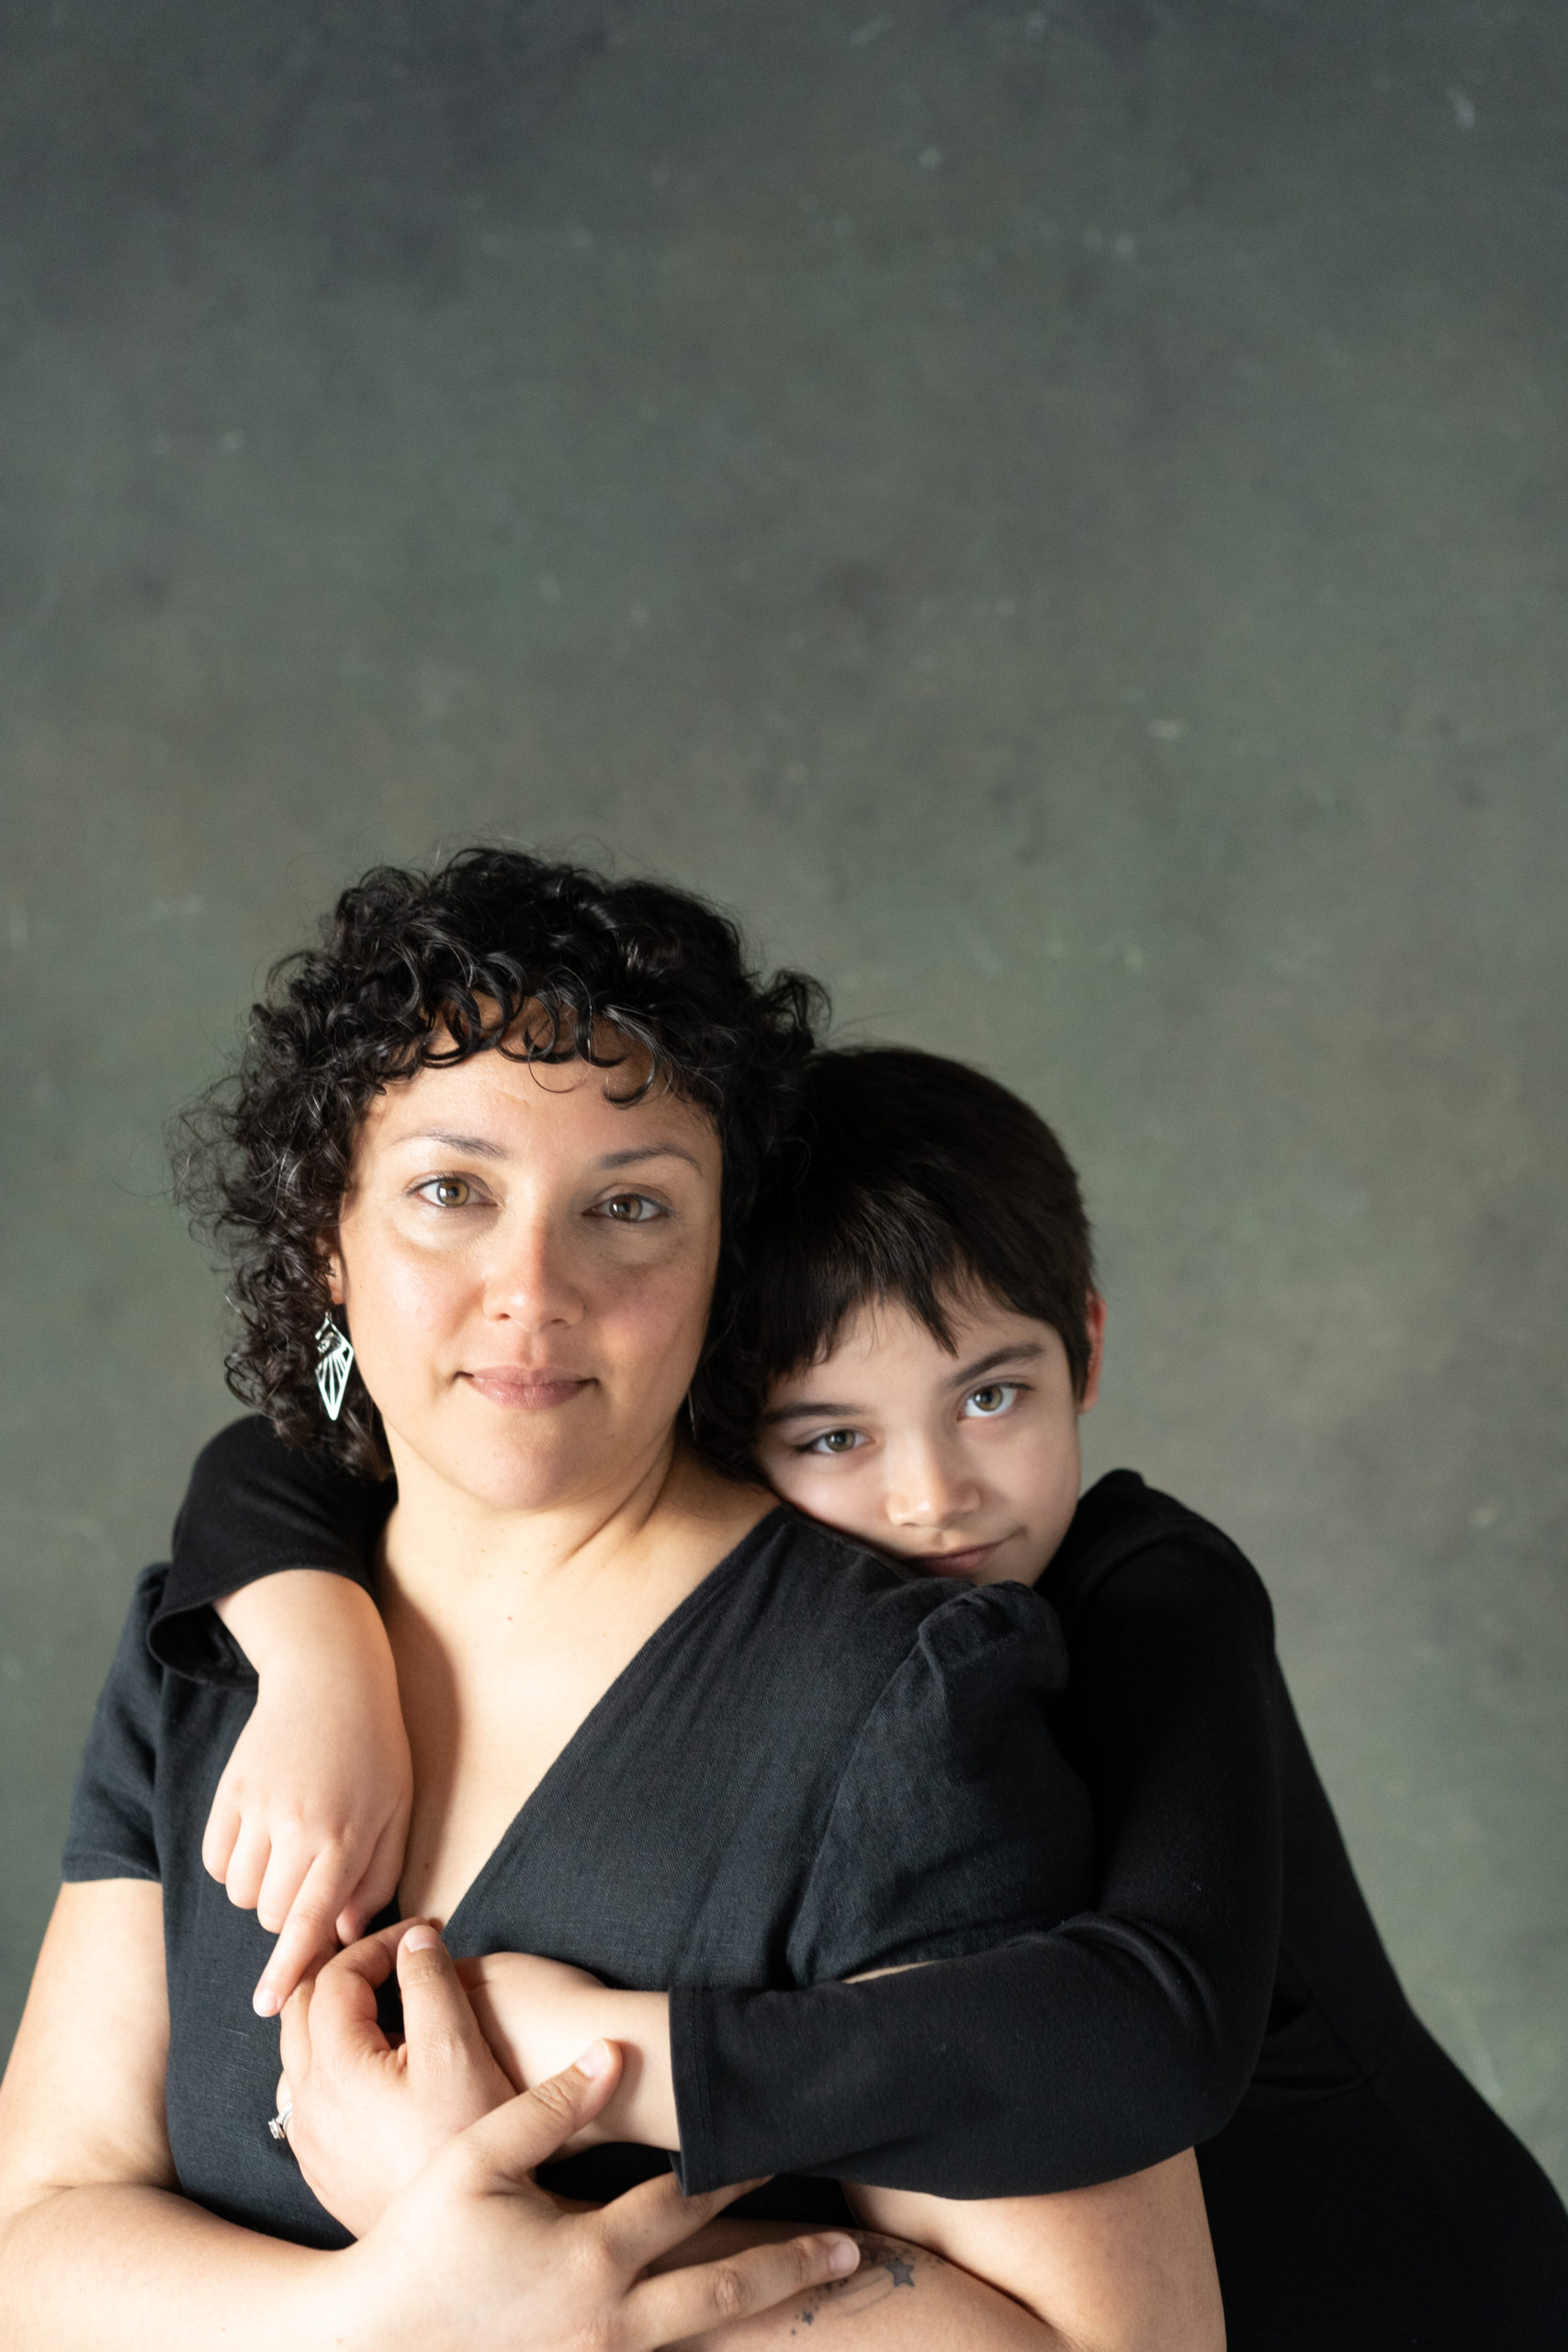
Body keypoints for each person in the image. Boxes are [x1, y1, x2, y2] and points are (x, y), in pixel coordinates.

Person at [159, 1039, 1568, 2348]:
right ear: (713, 1428)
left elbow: (1158, 2036)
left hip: (1415, 2291)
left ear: (1086, 1348)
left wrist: (594, 2059)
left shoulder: (1159, 1594)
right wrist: (319, 1654)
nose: (932, 1496)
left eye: (992, 1398)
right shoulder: (818, 1628)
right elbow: (273, 1461)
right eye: (834, 1435)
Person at [0, 852, 1223, 2352]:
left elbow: (1120, 2342)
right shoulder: (210, 1653)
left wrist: (568, 2305)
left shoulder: (901, 1696)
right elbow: (35, 2232)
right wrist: (382, 2316)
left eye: (629, 1206)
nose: (534, 1288)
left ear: (720, 1259)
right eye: (451, 1192)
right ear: (331, 1237)